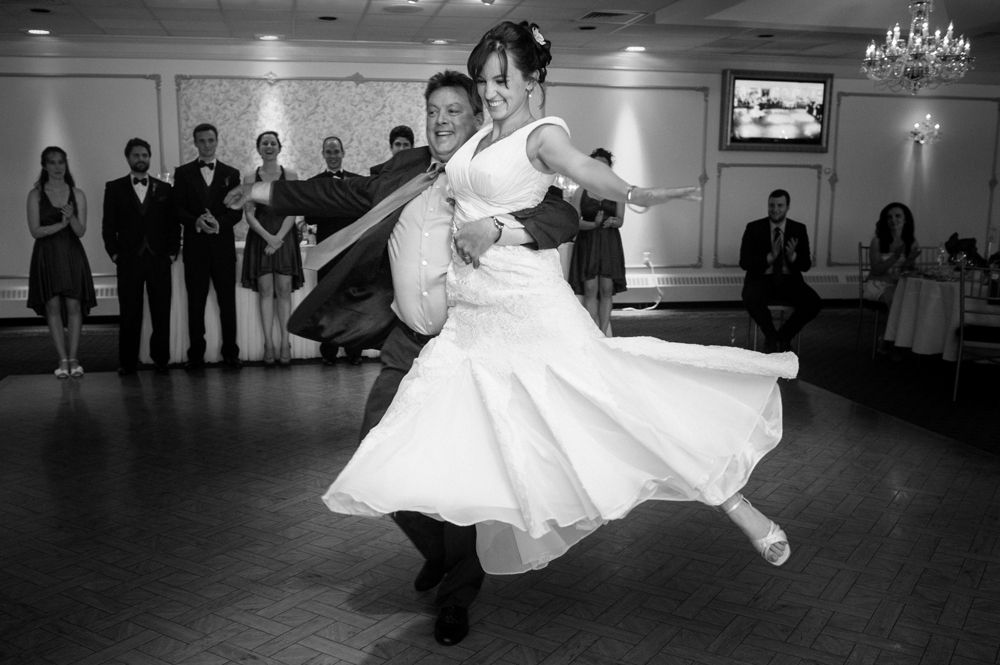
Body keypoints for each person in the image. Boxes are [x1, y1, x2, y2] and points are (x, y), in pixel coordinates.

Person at [316, 20, 796, 640]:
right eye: (484, 80)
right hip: (471, 321)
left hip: (527, 308)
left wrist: (635, 192)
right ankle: (447, 552)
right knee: (433, 429)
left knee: (615, 404)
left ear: (533, 80)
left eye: (500, 80)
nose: (489, 92)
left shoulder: (543, 136)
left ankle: (736, 503)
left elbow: (578, 179)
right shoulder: (481, 136)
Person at [224, 69, 579, 647]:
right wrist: (260, 191)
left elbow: (559, 214)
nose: (440, 120)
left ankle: (457, 596)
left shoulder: (497, 170)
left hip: (468, 345)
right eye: (432, 109)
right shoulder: (403, 170)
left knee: (460, 475)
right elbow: (332, 193)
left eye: (453, 110)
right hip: (407, 344)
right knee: (375, 449)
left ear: (477, 116)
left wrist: (495, 226)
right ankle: (440, 552)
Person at [102, 137, 178, 376]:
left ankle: (161, 359)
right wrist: (115, 254)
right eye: (136, 155)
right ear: (128, 158)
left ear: (149, 158)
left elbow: (173, 224)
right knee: (129, 312)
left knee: (161, 311)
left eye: (144, 155)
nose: (141, 159)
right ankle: (128, 361)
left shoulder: (165, 189)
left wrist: (172, 253)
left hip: (158, 259)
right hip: (128, 259)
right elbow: (108, 225)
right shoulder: (114, 188)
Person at [172, 122, 244, 370]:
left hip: (223, 248)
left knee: (227, 303)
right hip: (195, 249)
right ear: (195, 143)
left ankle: (231, 354)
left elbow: (237, 212)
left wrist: (219, 223)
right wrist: (197, 222)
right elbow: (177, 209)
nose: (206, 145)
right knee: (196, 303)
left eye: (210, 140)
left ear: (217, 141)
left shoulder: (231, 173)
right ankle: (195, 356)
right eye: (201, 141)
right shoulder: (182, 173)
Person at [27, 146, 96, 379]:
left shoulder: (77, 193)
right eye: (52, 162)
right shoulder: (35, 194)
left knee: (74, 307)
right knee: (52, 307)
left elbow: (81, 231)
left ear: (66, 165)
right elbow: (35, 231)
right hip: (46, 255)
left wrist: (71, 218)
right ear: (44, 165)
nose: (57, 167)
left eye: (61, 162)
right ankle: (62, 359)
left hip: (71, 253)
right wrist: (60, 225)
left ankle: (74, 358)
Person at [240, 131, 303, 366]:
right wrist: (268, 237)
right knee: (266, 291)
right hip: (260, 236)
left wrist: (278, 238)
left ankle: (285, 342)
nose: (268, 146)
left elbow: (293, 210)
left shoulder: (291, 175)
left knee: (284, 290)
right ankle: (268, 343)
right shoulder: (250, 176)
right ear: (258, 148)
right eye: (264, 143)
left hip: (284, 236)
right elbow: (248, 213)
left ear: (279, 147)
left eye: (272, 143)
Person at [303, 135, 363, 365]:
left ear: (343, 153)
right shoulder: (314, 183)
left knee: (352, 303)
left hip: (352, 252)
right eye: (328, 152)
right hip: (326, 252)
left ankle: (354, 352)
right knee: (327, 304)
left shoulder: (357, 182)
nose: (333, 155)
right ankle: (328, 353)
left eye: (336, 151)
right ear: (323, 155)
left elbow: (363, 214)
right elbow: (309, 217)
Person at [739, 188, 821, 352]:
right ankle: (771, 336)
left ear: (787, 207)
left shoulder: (798, 229)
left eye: (780, 205)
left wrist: (792, 258)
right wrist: (769, 257)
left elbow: (805, 265)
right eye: (771, 205)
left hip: (789, 280)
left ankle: (783, 336)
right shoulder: (754, 227)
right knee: (750, 297)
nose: (775, 209)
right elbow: (744, 262)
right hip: (761, 279)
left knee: (814, 303)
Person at [568, 147, 627, 335]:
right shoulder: (581, 192)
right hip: (588, 242)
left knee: (607, 288)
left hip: (609, 243)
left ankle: (604, 333)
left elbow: (620, 220)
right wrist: (594, 224)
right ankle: (594, 333)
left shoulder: (618, 190)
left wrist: (612, 221)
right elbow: (574, 223)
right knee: (590, 287)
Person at [864, 202, 920, 305]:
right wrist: (895, 257)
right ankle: (898, 321)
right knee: (897, 297)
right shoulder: (877, 241)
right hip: (879, 283)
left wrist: (910, 261)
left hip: (900, 283)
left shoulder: (912, 242)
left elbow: (906, 271)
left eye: (897, 216)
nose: (893, 220)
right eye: (889, 217)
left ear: (905, 219)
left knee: (919, 296)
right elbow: (876, 271)